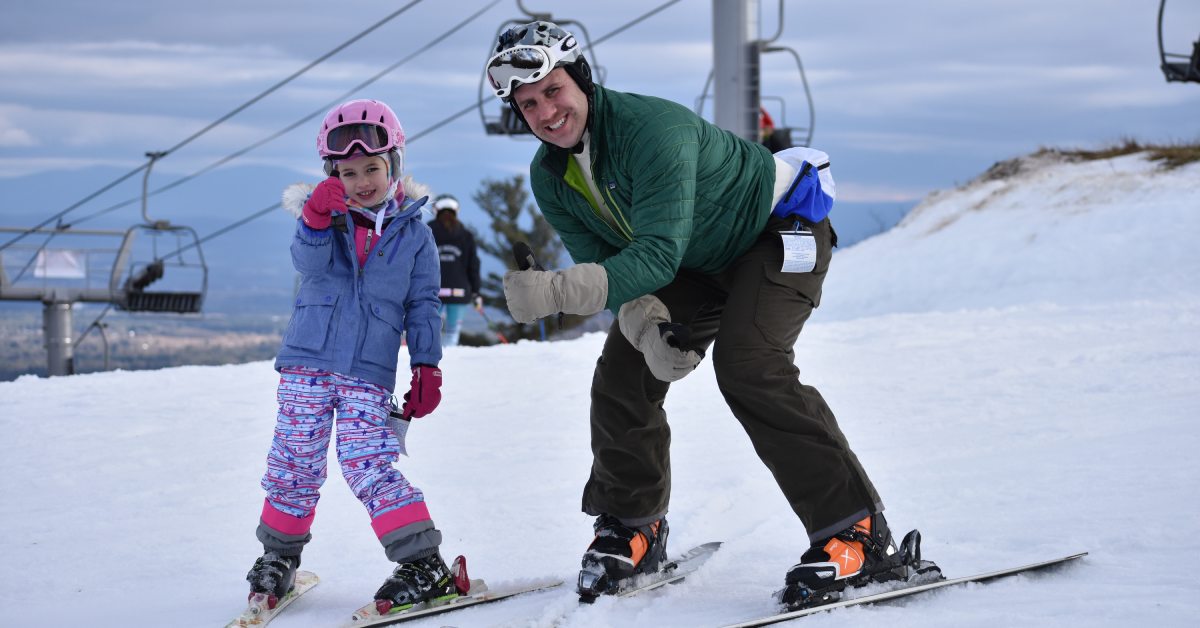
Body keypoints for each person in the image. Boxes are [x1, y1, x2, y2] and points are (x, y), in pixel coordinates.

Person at [484, 22, 936, 605]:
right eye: (528, 104)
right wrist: (647, 329)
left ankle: (858, 532)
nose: (546, 111)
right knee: (623, 373)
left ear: (582, 82)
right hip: (699, 264)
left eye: (553, 91)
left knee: (750, 365)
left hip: (778, 232)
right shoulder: (551, 177)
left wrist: (553, 293)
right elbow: (610, 266)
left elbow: (655, 253)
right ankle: (633, 527)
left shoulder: (652, 130)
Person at [243, 99, 457, 615]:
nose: (362, 181)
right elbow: (308, 264)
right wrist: (317, 215)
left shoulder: (415, 234)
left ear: (394, 166)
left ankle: (423, 562)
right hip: (307, 362)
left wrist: (427, 365)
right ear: (331, 174)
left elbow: (423, 304)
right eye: (348, 171)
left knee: (369, 463)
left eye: (372, 169)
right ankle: (278, 556)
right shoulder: (322, 222)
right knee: (294, 460)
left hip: (367, 371)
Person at [427, 193, 482, 347]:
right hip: (460, 291)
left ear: (435, 210)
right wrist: (476, 292)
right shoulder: (466, 235)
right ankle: (450, 361)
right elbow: (473, 266)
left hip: (432, 291)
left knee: (430, 329)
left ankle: (430, 360)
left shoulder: (426, 232)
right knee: (452, 332)